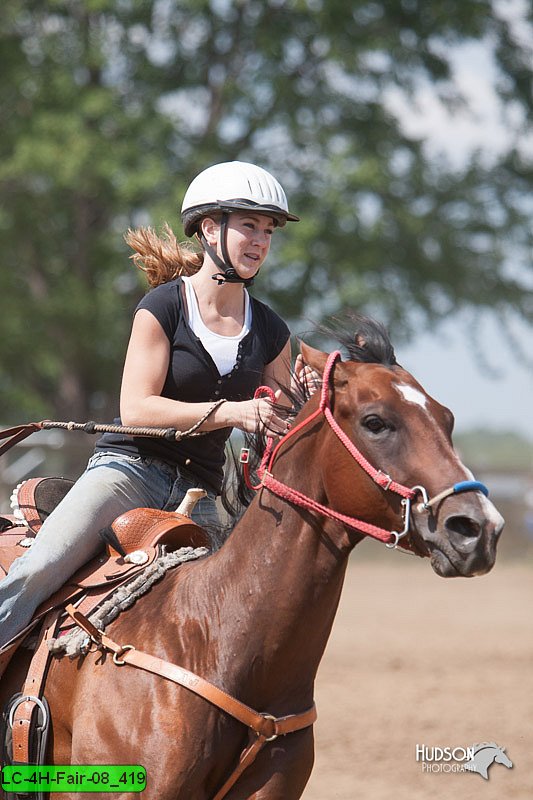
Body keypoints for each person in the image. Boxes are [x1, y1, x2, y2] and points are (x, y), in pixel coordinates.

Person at [0, 160, 300, 649]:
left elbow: (277, 421)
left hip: (201, 494)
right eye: (249, 225)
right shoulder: (163, 306)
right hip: (129, 470)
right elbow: (138, 409)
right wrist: (231, 413)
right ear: (209, 228)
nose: (261, 240)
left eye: (268, 230)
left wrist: (298, 409)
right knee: (41, 568)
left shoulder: (272, 330)